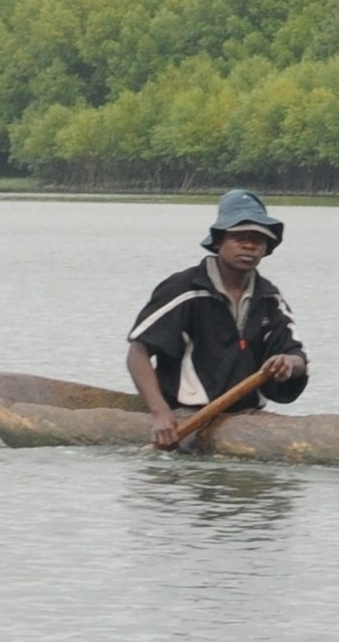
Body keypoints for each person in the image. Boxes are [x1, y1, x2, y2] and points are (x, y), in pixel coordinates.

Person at [127, 189, 310, 449]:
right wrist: (160, 412)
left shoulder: (269, 298)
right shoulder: (185, 289)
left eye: (258, 239)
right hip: (186, 415)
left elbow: (298, 357)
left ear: (266, 248)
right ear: (218, 242)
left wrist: (288, 363)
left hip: (247, 418)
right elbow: (138, 352)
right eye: (239, 237)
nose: (249, 245)